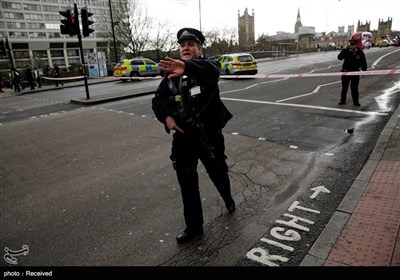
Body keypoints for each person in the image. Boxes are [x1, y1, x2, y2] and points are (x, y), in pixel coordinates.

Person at [152, 27, 235, 244]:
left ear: (199, 48)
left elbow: (214, 69)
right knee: (186, 180)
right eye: (182, 46)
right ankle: (194, 226)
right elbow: (157, 101)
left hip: (208, 135)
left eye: (190, 45)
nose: (185, 48)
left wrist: (187, 66)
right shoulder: (170, 77)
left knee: (218, 172)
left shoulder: (205, 69)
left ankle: (227, 197)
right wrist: (167, 120)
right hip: (183, 138)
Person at [337, 39, 367, 106]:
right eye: (351, 45)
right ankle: (342, 100)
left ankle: (355, 101)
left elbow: (363, 62)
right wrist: (343, 51)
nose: (352, 46)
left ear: (356, 45)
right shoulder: (346, 51)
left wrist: (364, 70)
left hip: (355, 73)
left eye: (353, 45)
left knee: (354, 88)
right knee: (344, 88)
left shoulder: (360, 52)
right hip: (345, 72)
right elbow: (339, 58)